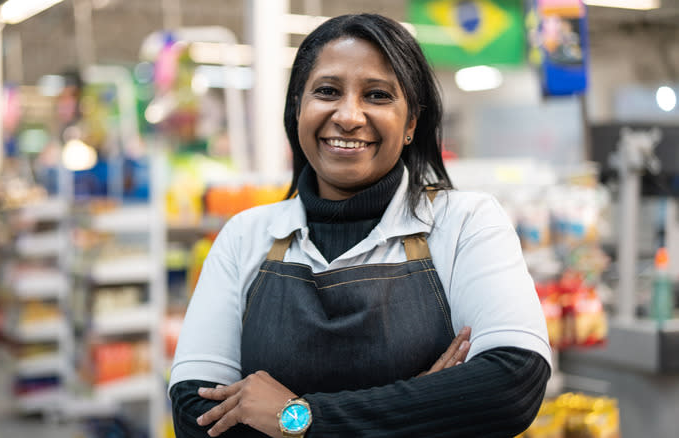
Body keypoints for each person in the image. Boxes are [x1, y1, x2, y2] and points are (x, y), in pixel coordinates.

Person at [169, 13, 551, 438]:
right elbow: (195, 412)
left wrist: (296, 418)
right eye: (328, 91)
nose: (349, 116)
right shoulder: (245, 236)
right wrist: (424, 405)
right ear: (298, 108)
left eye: (377, 95)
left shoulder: (465, 224)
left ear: (410, 123)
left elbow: (511, 385)